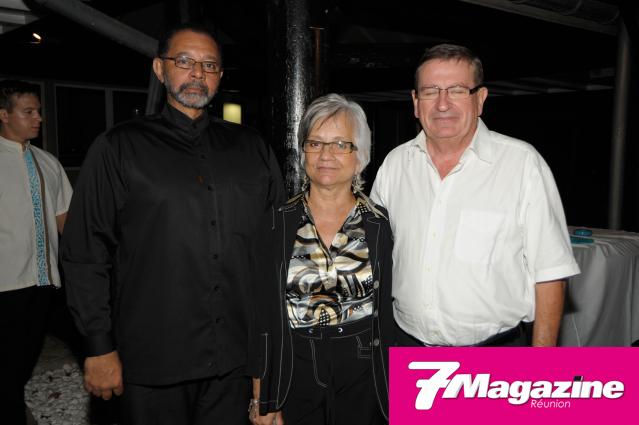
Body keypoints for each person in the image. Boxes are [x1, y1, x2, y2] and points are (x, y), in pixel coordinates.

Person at [61, 23, 284, 425]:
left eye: (209, 65)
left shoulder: (252, 149)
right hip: (153, 360)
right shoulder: (118, 147)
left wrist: (270, 354)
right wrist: (98, 345)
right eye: (184, 61)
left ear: (220, 76)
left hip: (235, 361)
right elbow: (85, 251)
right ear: (159, 69)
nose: (197, 73)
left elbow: (277, 251)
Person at [370, 44, 580, 348]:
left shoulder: (522, 164)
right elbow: (373, 257)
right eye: (430, 91)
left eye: (457, 90)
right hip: (406, 346)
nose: (442, 104)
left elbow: (551, 272)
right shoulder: (395, 165)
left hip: (496, 352)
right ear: (415, 102)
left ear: (480, 99)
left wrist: (541, 367)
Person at [249, 94, 394, 425]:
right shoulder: (275, 223)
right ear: (303, 153)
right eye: (315, 143)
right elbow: (260, 317)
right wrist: (261, 397)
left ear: (360, 156)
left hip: (364, 369)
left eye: (341, 144)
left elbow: (390, 315)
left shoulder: (380, 224)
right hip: (294, 365)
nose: (326, 155)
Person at [0, 79, 73, 425]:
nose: (38, 118)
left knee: (23, 360)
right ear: (3, 115)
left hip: (43, 283)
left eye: (39, 111)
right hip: (5, 284)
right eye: (28, 111)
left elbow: (66, 221)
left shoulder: (48, 162)